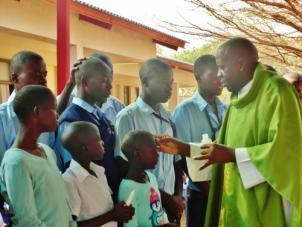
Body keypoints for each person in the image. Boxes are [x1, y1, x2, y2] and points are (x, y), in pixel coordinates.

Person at [157, 38, 302, 227]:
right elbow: (222, 150)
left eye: (222, 67)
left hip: (264, 205)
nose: (219, 75)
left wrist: (234, 155)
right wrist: (184, 148)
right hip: (236, 199)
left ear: (240, 64)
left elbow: (288, 151)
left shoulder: (277, 91)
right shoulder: (236, 101)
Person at [115, 58, 185, 223]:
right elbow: (124, 164)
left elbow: (175, 161)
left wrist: (178, 196)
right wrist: (166, 198)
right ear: (145, 82)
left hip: (170, 204)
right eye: (164, 82)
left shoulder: (168, 117)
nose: (170, 88)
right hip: (146, 203)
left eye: (171, 82)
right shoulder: (128, 117)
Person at [0, 85, 75, 226]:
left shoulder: (46, 151)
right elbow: (27, 221)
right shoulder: (16, 162)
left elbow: (62, 206)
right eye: (53, 109)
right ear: (37, 111)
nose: (57, 115)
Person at [55, 57, 121, 200]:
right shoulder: (70, 120)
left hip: (109, 194)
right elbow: (74, 171)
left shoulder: (100, 115)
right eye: (104, 81)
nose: (110, 86)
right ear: (85, 82)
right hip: (91, 201)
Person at [172, 55, 227, 227]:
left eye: (221, 73)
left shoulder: (226, 109)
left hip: (225, 192)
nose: (220, 79)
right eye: (213, 74)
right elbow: (181, 157)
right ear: (197, 77)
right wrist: (209, 191)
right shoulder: (184, 111)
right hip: (201, 195)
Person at [62, 121, 134, 227]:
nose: (103, 142)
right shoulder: (70, 180)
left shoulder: (99, 171)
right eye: (98, 140)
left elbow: (105, 207)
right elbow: (73, 225)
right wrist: (112, 215)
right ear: (84, 148)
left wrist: (120, 211)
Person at [118, 130, 177, 227]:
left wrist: (167, 223)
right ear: (137, 154)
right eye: (153, 151)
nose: (158, 155)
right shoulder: (128, 188)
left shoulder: (151, 177)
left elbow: (158, 210)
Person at [57, 53, 125, 123]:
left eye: (109, 74)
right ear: (86, 81)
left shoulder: (117, 106)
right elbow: (56, 117)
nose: (110, 85)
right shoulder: (69, 106)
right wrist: (70, 84)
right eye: (103, 79)